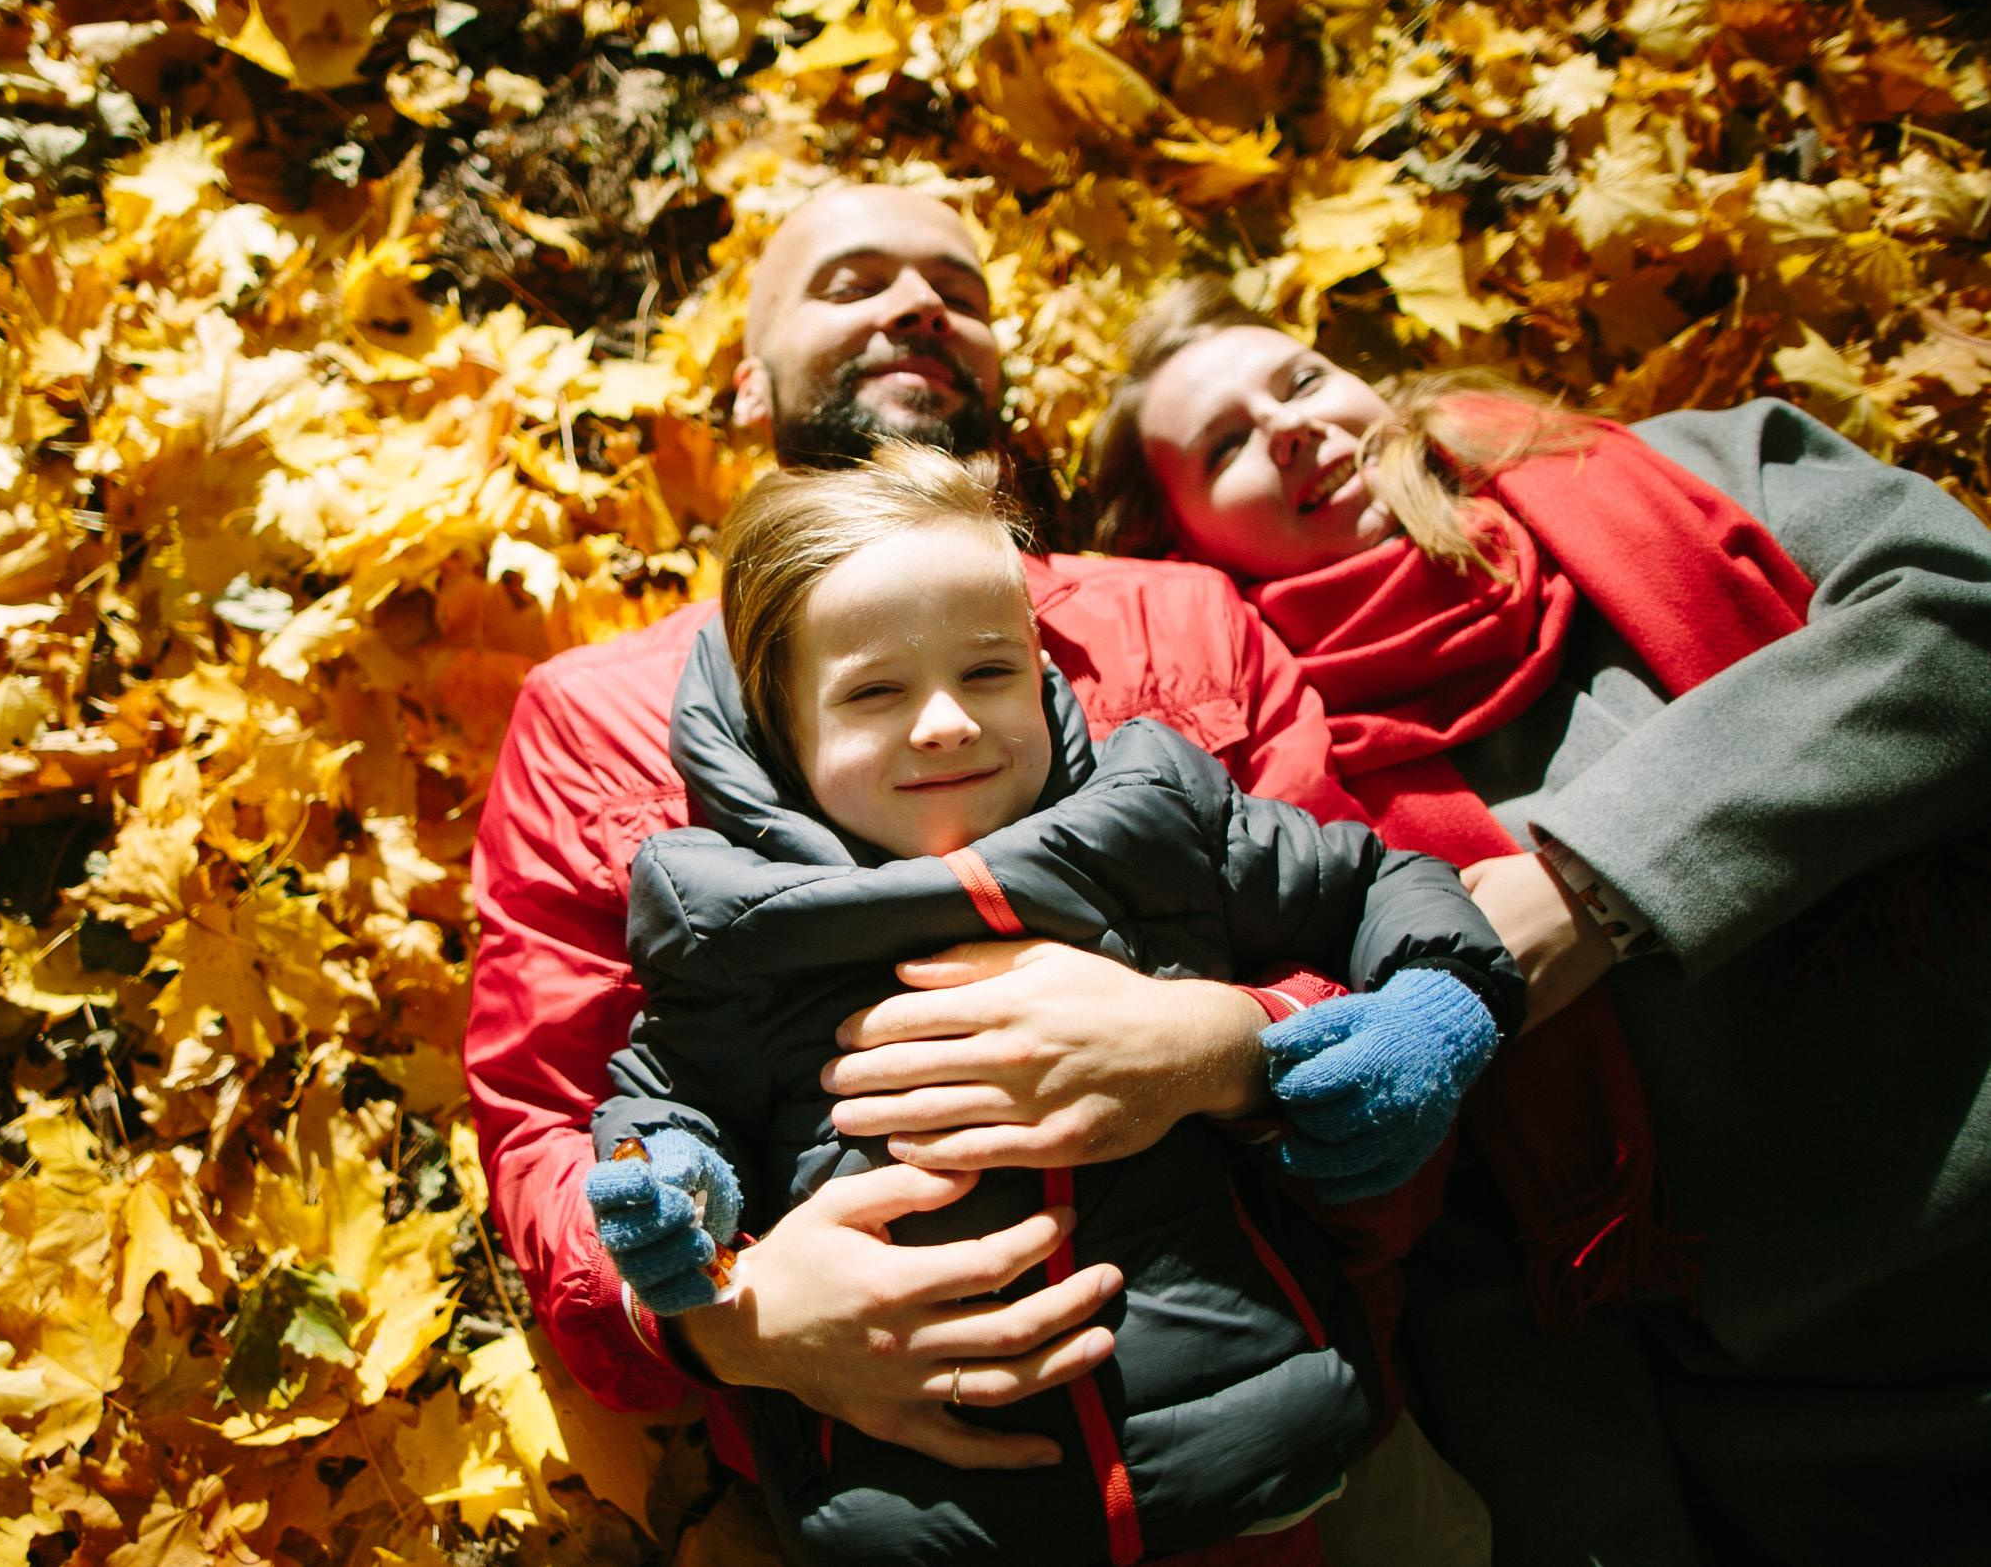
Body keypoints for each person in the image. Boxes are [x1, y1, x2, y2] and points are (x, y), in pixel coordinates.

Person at [463, 188, 1465, 1502]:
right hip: (893, 1497)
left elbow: (1376, 965)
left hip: (1289, 1439)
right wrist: (731, 1316)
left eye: (957, 286)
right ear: (746, 383)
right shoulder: (598, 714)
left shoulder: (1182, 623)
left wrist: (1226, 1049)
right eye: (851, 281)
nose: (915, 304)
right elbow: (550, 1118)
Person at [1083, 275, 1991, 1564]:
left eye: (1294, 380)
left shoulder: (1676, 471)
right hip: (1810, 1433)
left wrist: (1594, 883)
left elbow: (1958, 617)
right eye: (1223, 444)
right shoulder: (1279, 798)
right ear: (1178, 547)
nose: (1283, 426)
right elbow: (1468, 1248)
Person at [582, 445, 1522, 1564]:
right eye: (876, 691)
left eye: (988, 672)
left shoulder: (1152, 820)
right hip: (937, 1512)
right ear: (780, 734)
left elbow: (1377, 880)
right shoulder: (727, 922)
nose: (945, 721)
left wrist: (1431, 1006)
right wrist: (671, 1190)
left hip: (1270, 1437)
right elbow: (659, 1093)